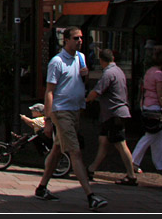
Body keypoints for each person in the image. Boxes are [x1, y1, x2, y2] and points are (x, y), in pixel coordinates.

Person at [35, 26, 108, 211]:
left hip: (76, 110)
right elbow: (49, 92)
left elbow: (80, 81)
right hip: (62, 111)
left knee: (58, 149)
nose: (80, 41)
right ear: (65, 40)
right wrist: (48, 120)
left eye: (81, 38)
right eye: (76, 38)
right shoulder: (56, 62)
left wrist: (86, 76)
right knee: (75, 152)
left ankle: (42, 187)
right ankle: (90, 196)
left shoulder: (81, 58)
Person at [85, 49, 138, 185]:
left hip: (114, 114)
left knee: (120, 144)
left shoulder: (108, 73)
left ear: (101, 60)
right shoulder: (119, 71)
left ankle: (131, 176)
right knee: (103, 141)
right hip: (112, 115)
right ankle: (91, 169)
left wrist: (84, 100)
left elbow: (96, 91)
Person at [131, 49, 162, 172]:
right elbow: (160, 95)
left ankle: (160, 163)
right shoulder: (159, 74)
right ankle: (134, 160)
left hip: (147, 105)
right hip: (155, 107)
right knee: (150, 135)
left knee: (159, 136)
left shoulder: (149, 72)